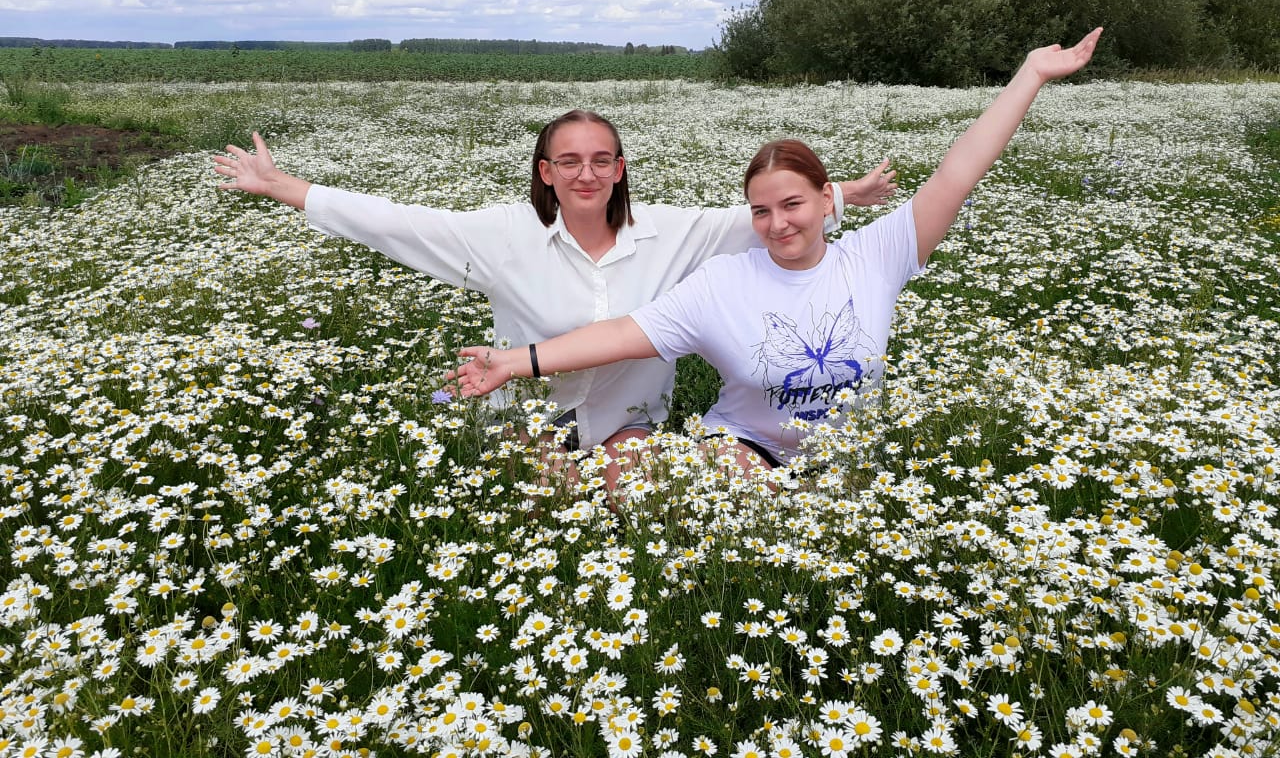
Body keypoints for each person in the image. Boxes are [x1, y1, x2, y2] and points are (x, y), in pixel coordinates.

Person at [449, 29, 1103, 473]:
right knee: (734, 502)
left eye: (792, 205)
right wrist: (517, 361)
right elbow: (620, 334)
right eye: (760, 211)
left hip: (846, 463)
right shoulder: (723, 282)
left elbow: (958, 173)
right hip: (744, 451)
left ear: (827, 201)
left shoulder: (877, 257)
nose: (777, 224)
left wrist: (1033, 74)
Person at [213, 110, 898, 464]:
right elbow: (399, 224)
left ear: (621, 168)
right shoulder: (502, 237)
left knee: (634, 512)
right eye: (568, 161)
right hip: (526, 425)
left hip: (629, 426)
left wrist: (841, 195)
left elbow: (765, 217)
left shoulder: (672, 232)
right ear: (544, 172)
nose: (586, 174)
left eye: (602, 160)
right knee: (538, 521)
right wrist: (285, 189)